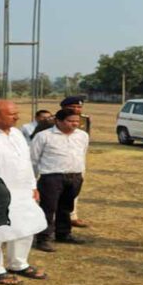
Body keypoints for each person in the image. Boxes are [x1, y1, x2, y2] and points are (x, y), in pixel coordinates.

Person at [0, 101, 48, 284]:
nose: (17, 117)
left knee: (25, 225)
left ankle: (18, 263)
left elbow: (26, 161)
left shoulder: (17, 133)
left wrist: (33, 185)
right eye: (11, 114)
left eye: (17, 113)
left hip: (22, 190)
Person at [30, 109, 89, 252]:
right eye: (70, 121)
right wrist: (32, 182)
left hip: (74, 176)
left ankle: (63, 233)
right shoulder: (44, 136)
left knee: (66, 207)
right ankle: (43, 238)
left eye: (77, 121)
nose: (74, 124)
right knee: (48, 208)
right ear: (58, 121)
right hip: (51, 177)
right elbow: (33, 159)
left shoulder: (82, 136)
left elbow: (83, 154)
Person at [59, 96, 90, 227]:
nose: (76, 109)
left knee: (73, 191)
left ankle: (72, 216)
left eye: (79, 107)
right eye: (72, 107)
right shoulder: (54, 120)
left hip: (76, 160)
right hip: (56, 162)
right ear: (63, 107)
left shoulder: (85, 119)